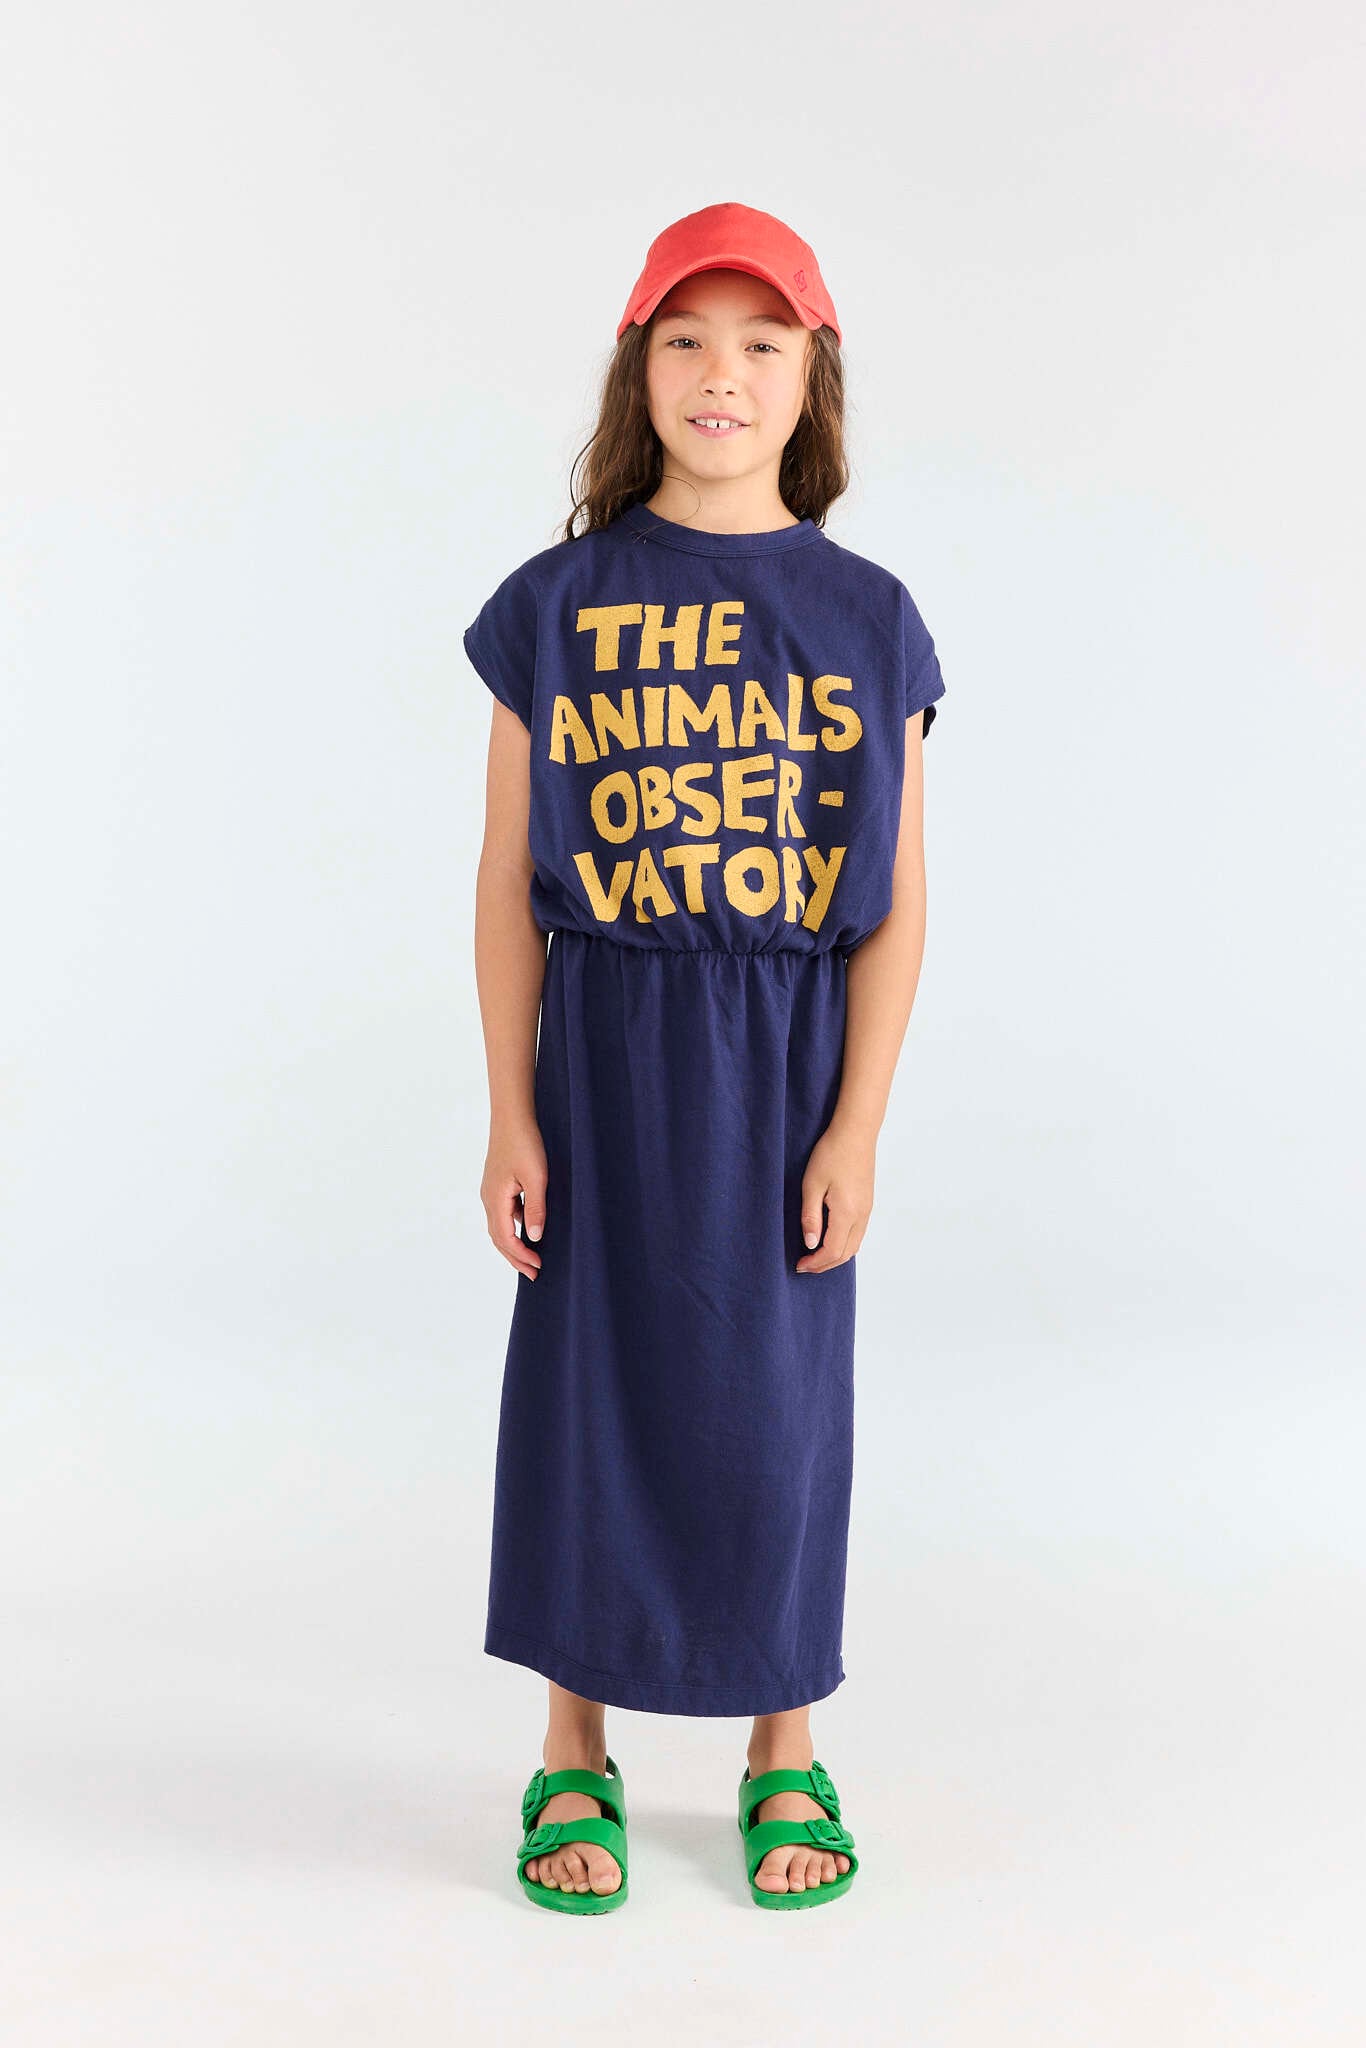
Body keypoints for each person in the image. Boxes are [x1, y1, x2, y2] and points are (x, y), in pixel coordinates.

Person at [465, 201, 946, 1914]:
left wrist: (857, 1125)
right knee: (586, 1397)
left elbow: (893, 903)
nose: (718, 373)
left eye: (759, 340)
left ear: (811, 378)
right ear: (638, 372)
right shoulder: (554, 605)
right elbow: (507, 885)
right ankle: (570, 1747)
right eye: (684, 339)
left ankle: (780, 1742)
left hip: (785, 1056)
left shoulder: (868, 617)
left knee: (773, 1409)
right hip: (604, 1048)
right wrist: (511, 1110)